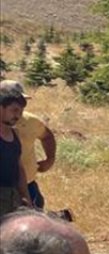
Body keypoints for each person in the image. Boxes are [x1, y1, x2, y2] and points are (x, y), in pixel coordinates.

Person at [0, 81, 56, 209]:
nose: (18, 113)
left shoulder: (27, 123)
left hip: (23, 187)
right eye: (14, 107)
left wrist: (50, 159)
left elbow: (47, 136)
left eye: (21, 106)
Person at [0, 86, 31, 218]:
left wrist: (25, 197)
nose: (18, 115)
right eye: (14, 110)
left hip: (13, 196)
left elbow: (19, 167)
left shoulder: (15, 133)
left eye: (21, 111)